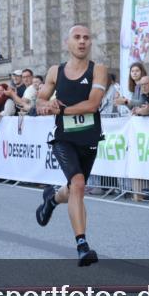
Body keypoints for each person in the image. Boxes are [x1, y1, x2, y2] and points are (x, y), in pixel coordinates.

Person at [35, 24, 108, 267]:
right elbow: (40, 101)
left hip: (89, 138)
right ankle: (82, 245)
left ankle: (52, 199)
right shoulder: (56, 71)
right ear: (68, 43)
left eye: (86, 38)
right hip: (63, 138)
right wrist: (46, 106)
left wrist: (62, 109)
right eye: (77, 37)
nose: (82, 42)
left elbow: (92, 105)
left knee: (74, 188)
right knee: (77, 184)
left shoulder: (98, 70)